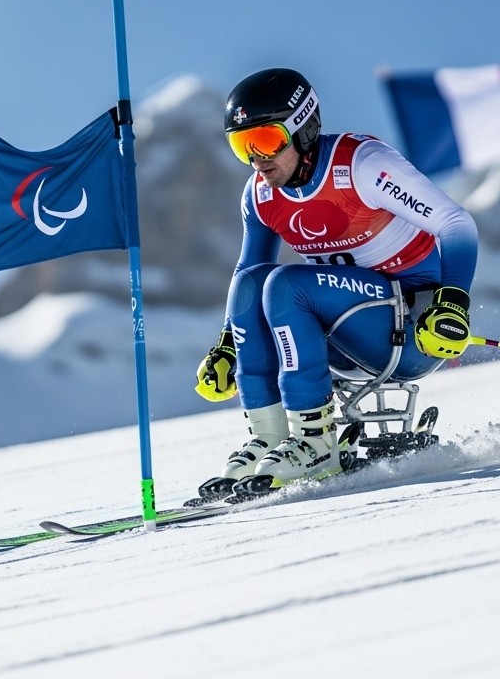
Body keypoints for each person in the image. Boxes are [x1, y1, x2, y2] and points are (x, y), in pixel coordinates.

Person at [194, 68, 479, 499]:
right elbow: (247, 274)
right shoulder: (261, 195)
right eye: (241, 146)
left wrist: (452, 301)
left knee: (287, 284)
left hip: (411, 331)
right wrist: (229, 344)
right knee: (253, 283)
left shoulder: (362, 165)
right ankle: (271, 436)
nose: (257, 159)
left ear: (303, 128)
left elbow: (456, 224)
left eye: (266, 141)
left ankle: (316, 441)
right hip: (344, 338)